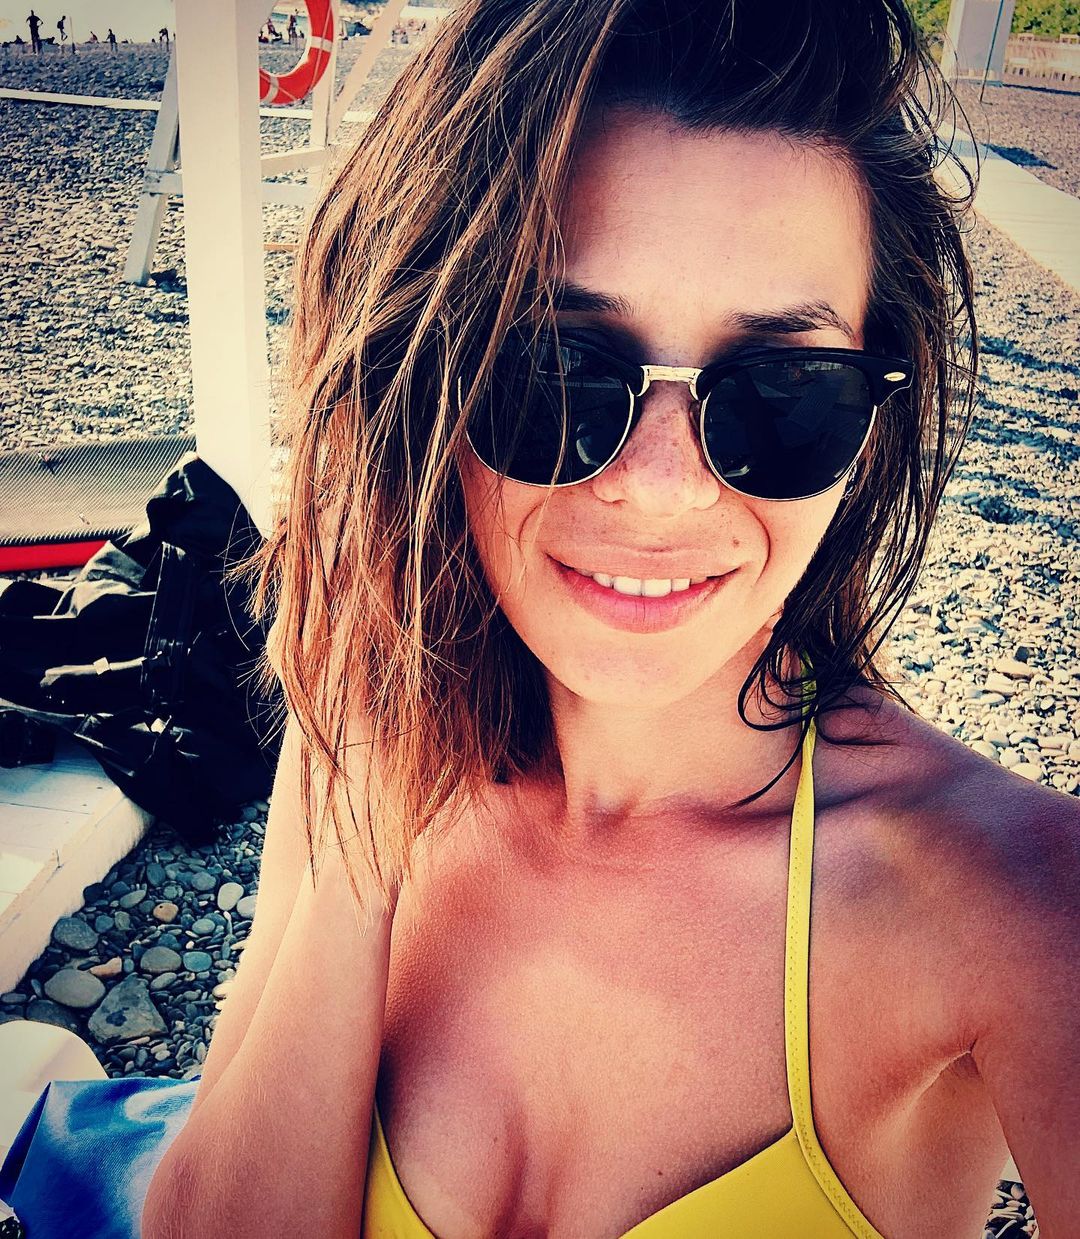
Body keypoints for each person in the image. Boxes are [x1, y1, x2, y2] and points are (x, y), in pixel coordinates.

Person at [2, 1, 1079, 1237]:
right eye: (556, 369)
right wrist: (369, 833)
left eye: (785, 391)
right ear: (422, 380)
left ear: (877, 422)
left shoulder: (1020, 907)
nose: (661, 489)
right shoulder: (362, 727)